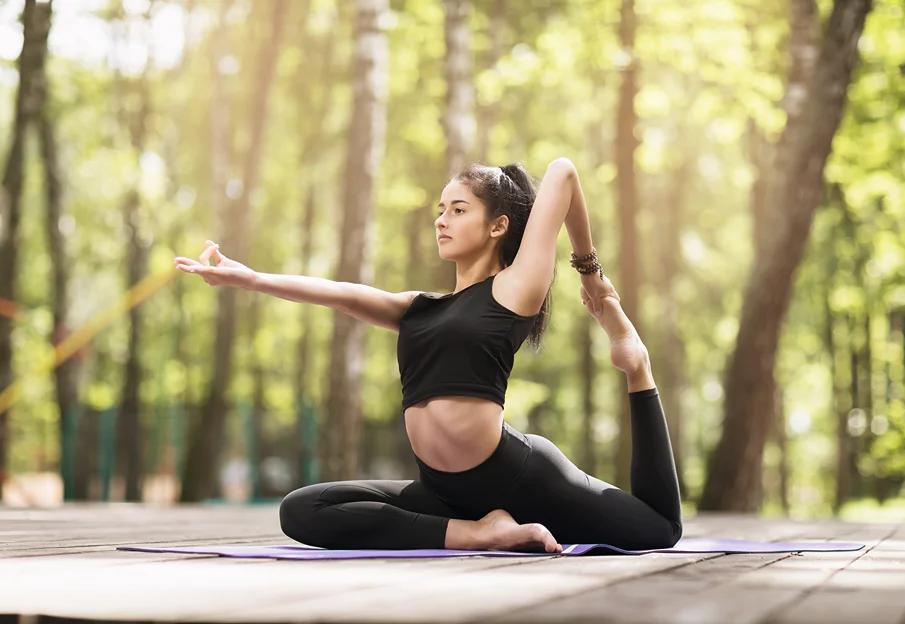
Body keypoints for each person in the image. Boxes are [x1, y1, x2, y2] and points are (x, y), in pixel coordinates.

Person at [174, 158, 681, 553]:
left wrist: (590, 274)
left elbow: (563, 172)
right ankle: (478, 533)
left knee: (658, 529)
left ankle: (637, 365)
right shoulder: (418, 308)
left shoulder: (513, 289)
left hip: (518, 478)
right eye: (440, 210)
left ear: (498, 225)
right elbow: (338, 291)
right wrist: (251, 278)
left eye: (458, 209)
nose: (442, 220)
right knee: (303, 509)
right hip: (443, 494)